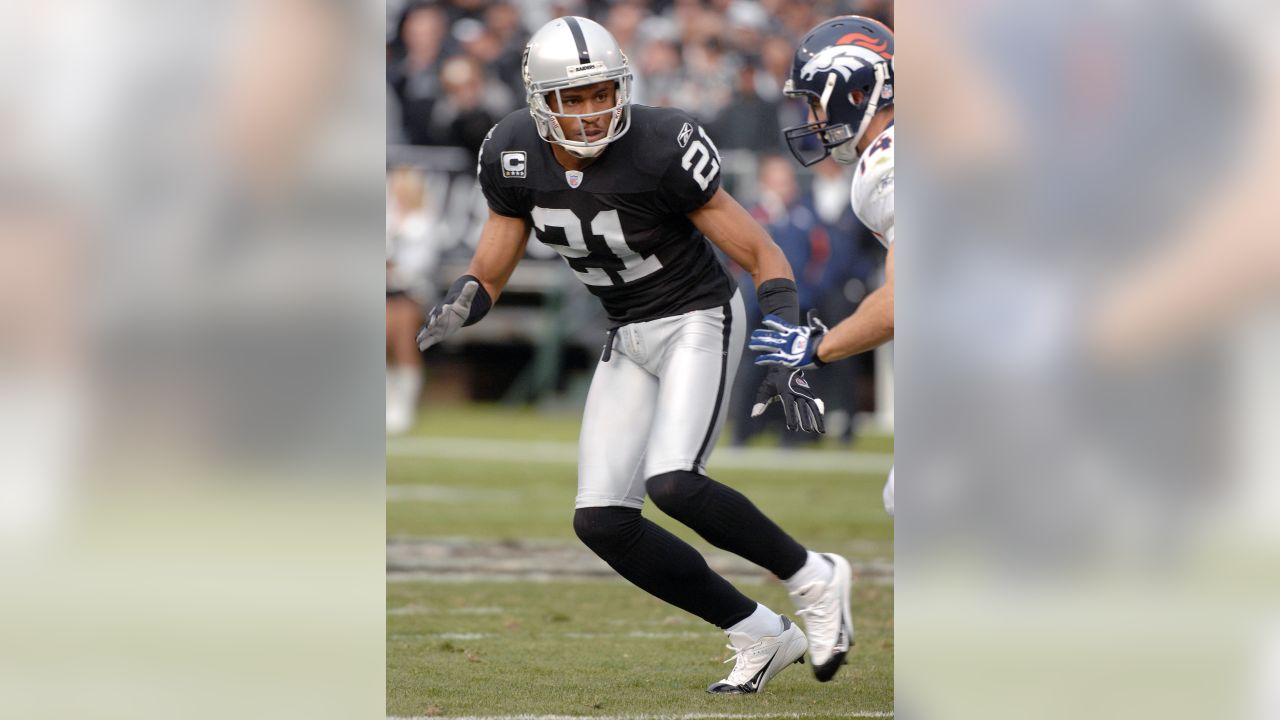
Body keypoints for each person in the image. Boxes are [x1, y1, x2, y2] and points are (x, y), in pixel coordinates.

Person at [416, 16, 853, 693]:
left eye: (601, 93)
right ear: (539, 103)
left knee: (675, 482)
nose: (592, 112)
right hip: (629, 332)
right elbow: (493, 265)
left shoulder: (659, 143)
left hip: (697, 318)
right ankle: (760, 633)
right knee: (601, 521)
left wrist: (783, 338)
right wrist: (464, 299)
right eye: (574, 98)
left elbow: (761, 253)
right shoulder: (510, 150)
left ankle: (815, 577)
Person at [750, 15, 896, 514]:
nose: (812, 118)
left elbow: (904, 302)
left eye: (815, 101)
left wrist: (819, 347)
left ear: (855, 93)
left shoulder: (888, 166)